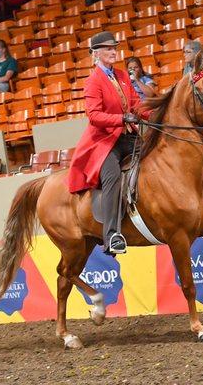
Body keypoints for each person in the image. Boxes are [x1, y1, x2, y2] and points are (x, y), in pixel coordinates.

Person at [68, 31, 143, 255]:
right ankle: (112, 236)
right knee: (112, 177)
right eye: (108, 49)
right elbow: (94, 116)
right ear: (96, 54)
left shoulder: (121, 75)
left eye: (114, 48)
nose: (113, 52)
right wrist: (121, 118)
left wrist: (156, 113)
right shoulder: (93, 82)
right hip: (104, 142)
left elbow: (136, 103)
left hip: (128, 136)